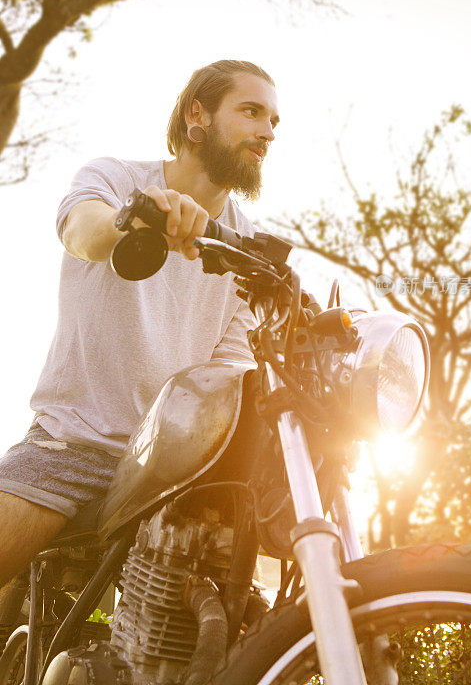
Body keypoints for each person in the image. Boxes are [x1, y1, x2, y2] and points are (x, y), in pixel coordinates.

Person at [0, 60, 280, 605]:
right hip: (73, 444)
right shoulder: (117, 178)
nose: (267, 132)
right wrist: (135, 218)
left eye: (273, 121)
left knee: (242, 617)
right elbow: (82, 233)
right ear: (197, 115)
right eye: (251, 112)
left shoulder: (250, 254)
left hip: (168, 475)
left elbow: (222, 375)